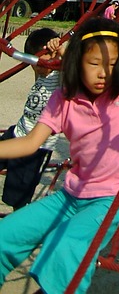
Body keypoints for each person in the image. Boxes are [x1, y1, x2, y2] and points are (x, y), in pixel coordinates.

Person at [0, 13, 119, 294]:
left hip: (114, 196)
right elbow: (30, 143)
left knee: (66, 245)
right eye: (94, 64)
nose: (103, 73)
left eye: (111, 65)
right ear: (77, 63)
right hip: (73, 194)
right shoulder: (65, 98)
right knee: (5, 235)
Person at [1, 28, 62, 209]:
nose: (42, 64)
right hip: (17, 132)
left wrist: (60, 49)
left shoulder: (61, 79)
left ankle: (18, 226)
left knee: (18, 195)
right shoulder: (40, 74)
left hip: (37, 147)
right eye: (36, 61)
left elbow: (74, 65)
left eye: (48, 57)